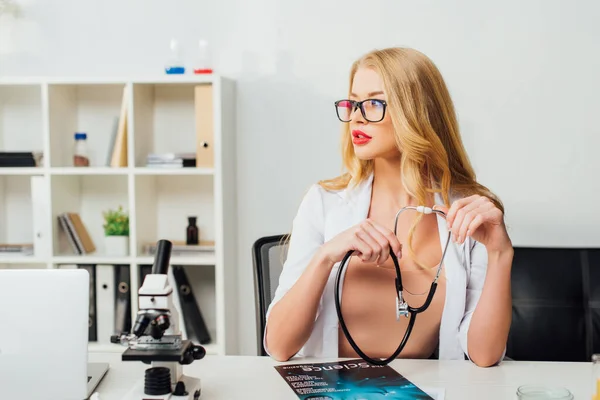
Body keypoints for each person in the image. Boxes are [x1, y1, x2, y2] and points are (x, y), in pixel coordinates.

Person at [264, 47, 513, 367]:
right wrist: (326, 256)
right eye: (353, 103)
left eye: (374, 103)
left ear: (418, 112)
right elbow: (279, 346)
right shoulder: (324, 202)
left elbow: (484, 355)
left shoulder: (467, 213)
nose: (356, 116)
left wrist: (500, 253)